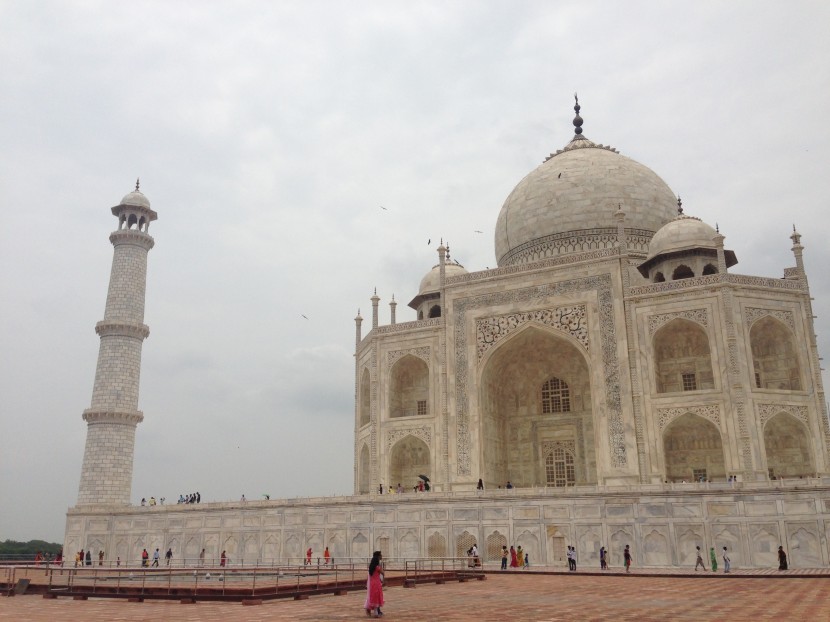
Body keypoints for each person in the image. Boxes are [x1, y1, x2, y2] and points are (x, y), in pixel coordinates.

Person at [364, 550, 384, 617]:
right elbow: (382, 572)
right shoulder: (377, 567)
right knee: (377, 597)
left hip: (372, 584)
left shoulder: (371, 568)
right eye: (380, 555)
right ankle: (376, 612)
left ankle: (376, 612)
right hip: (377, 583)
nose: (382, 556)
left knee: (372, 597)